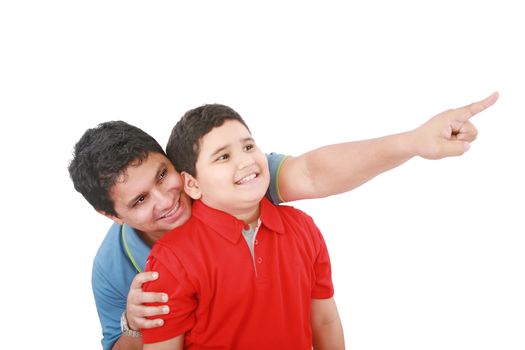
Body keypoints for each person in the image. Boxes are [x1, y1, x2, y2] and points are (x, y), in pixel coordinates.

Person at [68, 92, 498, 350]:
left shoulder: (239, 184)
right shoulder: (114, 268)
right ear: (111, 215)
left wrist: (413, 142)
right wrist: (131, 322)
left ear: (183, 175)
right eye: (141, 199)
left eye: (163, 175)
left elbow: (315, 172)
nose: (167, 200)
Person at [141, 104, 345, 349]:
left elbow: (324, 321)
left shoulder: (303, 227)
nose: (246, 161)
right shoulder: (170, 259)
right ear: (193, 184)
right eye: (223, 157)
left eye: (248, 147)